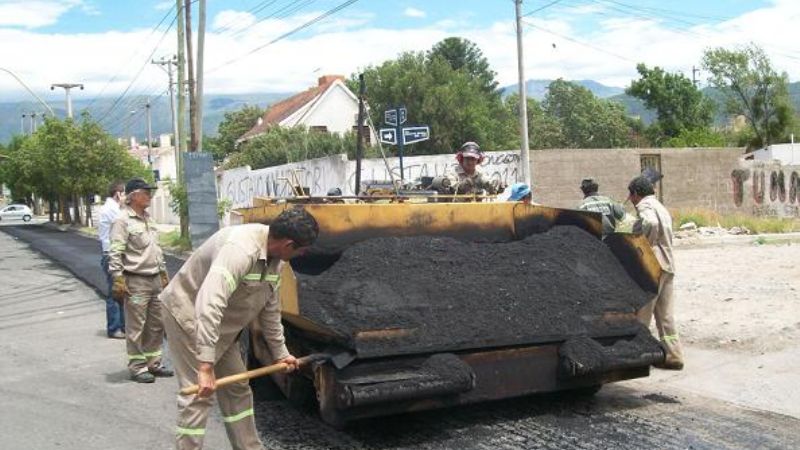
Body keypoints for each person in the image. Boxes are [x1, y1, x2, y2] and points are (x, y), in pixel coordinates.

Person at [159, 208, 319, 450]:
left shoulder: (277, 263)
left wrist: (281, 354)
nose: (302, 254)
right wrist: (205, 365)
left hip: (221, 328)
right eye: (302, 250)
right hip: (189, 318)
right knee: (198, 395)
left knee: (237, 388)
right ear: (288, 244)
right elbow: (209, 303)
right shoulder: (240, 250)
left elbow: (270, 312)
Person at [109, 177, 173, 383]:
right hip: (136, 281)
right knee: (136, 325)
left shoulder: (148, 219)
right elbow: (116, 251)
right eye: (146, 192)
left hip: (154, 279)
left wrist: (163, 274)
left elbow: (156, 249)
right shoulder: (122, 221)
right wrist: (118, 278)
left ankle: (153, 363)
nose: (150, 196)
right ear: (133, 196)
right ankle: (137, 367)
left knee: (156, 324)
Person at [627, 175, 684, 371]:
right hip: (668, 265)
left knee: (643, 313)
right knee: (665, 315)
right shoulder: (662, 207)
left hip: (653, 266)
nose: (631, 200)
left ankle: (637, 356)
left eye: (631, 195)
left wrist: (643, 244)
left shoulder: (645, 207)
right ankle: (673, 355)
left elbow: (649, 223)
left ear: (636, 194)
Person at [98, 180, 126, 339]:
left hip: (115, 253)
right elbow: (125, 223)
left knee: (121, 293)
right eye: (126, 194)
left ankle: (122, 327)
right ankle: (114, 328)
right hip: (111, 255)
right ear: (118, 194)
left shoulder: (113, 208)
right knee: (115, 293)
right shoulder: (111, 210)